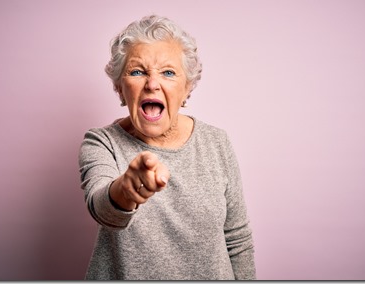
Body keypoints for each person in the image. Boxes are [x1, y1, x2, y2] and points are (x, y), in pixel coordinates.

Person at [78, 15, 256, 280]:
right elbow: (103, 209)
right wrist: (126, 189)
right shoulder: (102, 142)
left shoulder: (217, 143)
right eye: (137, 72)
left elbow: (237, 241)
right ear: (119, 88)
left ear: (186, 89)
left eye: (168, 72)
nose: (152, 83)